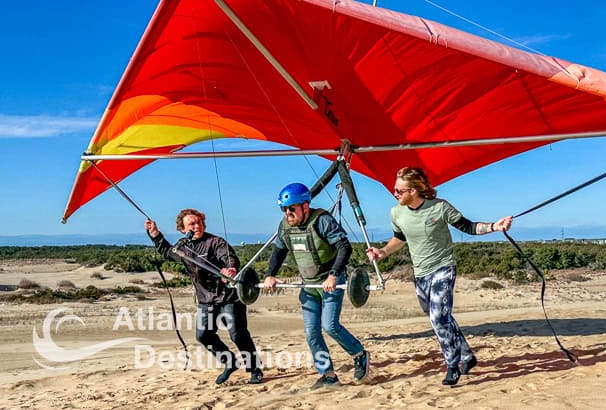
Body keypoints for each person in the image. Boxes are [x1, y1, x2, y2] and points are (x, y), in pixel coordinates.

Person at [366, 166, 512, 386]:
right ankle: (466, 356)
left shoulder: (440, 207)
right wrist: (383, 252)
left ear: (414, 190)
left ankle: (452, 365)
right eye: (395, 190)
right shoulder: (396, 213)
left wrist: (495, 226)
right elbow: (399, 238)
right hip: (420, 274)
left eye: (399, 190)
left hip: (443, 268)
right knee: (441, 318)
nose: (395, 194)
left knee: (438, 318)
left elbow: (468, 226)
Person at [262, 183, 370, 390]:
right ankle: (328, 375)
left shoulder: (322, 220)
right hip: (308, 285)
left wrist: (333, 274)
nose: (287, 213)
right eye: (284, 209)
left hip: (331, 281)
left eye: (291, 208)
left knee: (329, 326)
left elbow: (344, 247)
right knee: (312, 332)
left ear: (304, 206)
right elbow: (278, 252)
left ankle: (360, 355)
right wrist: (270, 275)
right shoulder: (285, 226)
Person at [145, 209, 262, 385]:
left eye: (199, 222)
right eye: (192, 224)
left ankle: (255, 369)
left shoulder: (215, 242)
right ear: (183, 229)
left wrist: (230, 269)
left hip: (228, 296)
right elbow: (168, 252)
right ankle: (229, 361)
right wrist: (155, 235)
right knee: (203, 335)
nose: (197, 226)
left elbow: (229, 258)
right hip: (206, 300)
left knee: (237, 334)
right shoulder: (182, 246)